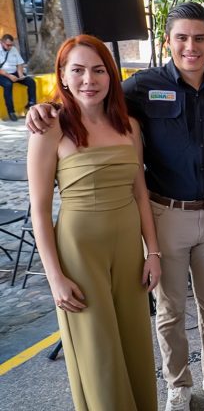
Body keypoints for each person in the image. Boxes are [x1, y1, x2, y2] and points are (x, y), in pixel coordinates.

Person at [25, 2, 204, 411]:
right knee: (169, 310)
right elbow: (84, 101)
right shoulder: (141, 87)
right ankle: (178, 385)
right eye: (181, 38)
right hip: (167, 213)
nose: (191, 47)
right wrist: (41, 108)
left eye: (200, 38)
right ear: (168, 41)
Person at [26, 34, 160, 410]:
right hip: (79, 253)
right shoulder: (50, 128)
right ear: (63, 77)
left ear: (111, 75)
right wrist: (54, 277)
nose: (89, 79)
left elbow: (140, 193)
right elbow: (39, 209)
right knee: (98, 354)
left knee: (135, 344)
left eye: (98, 70)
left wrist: (154, 252)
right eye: (79, 70)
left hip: (128, 251)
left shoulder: (129, 126)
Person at [0, 34, 37, 121]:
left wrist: (20, 75)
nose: (10, 47)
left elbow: (19, 63)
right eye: (8, 45)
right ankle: (11, 111)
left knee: (31, 82)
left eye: (11, 45)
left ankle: (31, 104)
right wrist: (9, 76)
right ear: (2, 42)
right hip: (2, 74)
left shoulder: (13, 49)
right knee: (8, 85)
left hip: (14, 72)